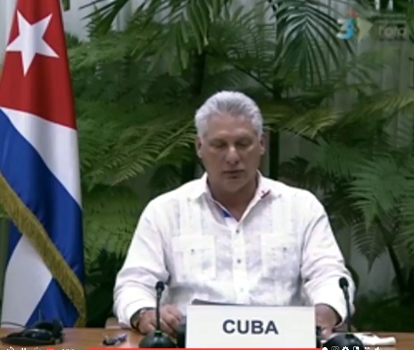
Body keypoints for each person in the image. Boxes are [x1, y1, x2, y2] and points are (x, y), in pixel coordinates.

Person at [112, 90, 355, 339]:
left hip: (283, 342)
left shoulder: (301, 207)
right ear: (199, 147)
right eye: (219, 145)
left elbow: (329, 275)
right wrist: (145, 313)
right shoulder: (165, 211)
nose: (232, 157)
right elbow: (133, 285)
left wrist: (325, 311)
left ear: (262, 144)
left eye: (242, 143)